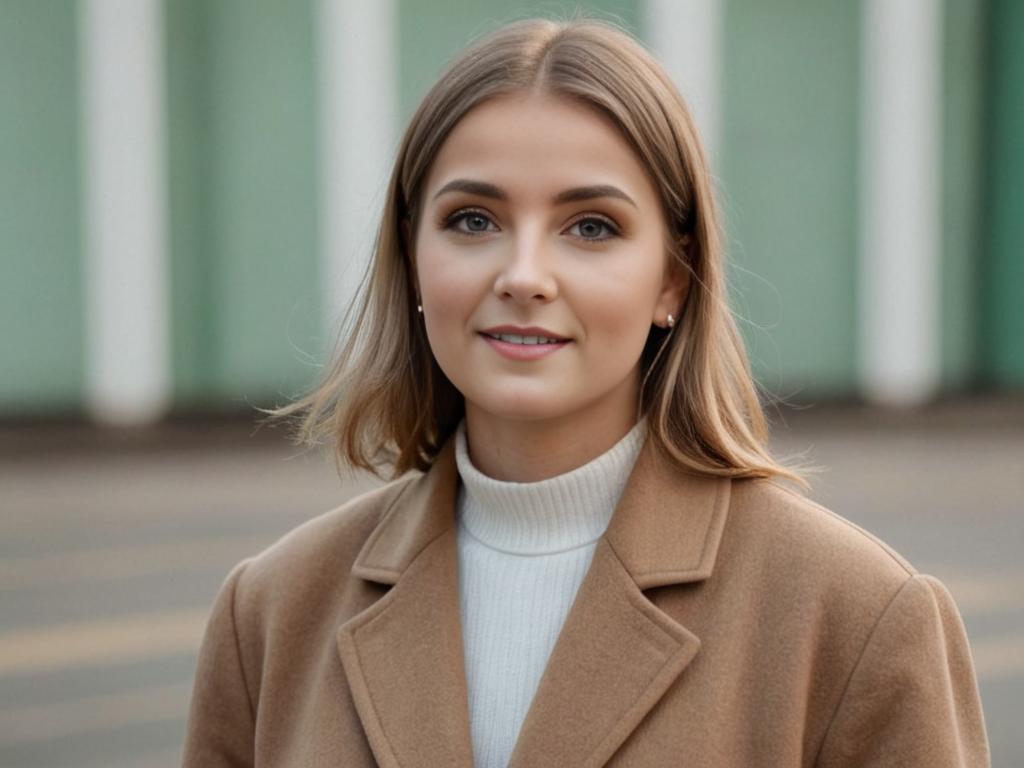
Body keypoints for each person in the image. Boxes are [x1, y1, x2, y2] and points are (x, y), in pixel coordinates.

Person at [181, 16, 990, 768]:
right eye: (472, 220)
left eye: (591, 227)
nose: (524, 275)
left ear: (673, 278)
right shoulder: (272, 614)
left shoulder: (855, 618)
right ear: (412, 256)